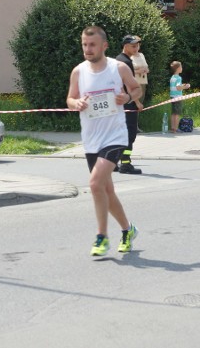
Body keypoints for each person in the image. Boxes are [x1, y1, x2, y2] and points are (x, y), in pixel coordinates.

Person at [67, 26, 140, 256]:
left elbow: (137, 90)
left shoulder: (117, 68)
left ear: (104, 46)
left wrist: (127, 97)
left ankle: (101, 237)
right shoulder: (78, 72)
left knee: (95, 184)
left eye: (92, 45)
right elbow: (70, 97)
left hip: (115, 136)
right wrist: (75, 104)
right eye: (84, 45)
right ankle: (128, 229)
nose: (88, 49)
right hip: (91, 139)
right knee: (106, 191)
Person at [115, 35, 144, 174]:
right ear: (125, 46)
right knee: (129, 134)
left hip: (119, 103)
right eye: (133, 45)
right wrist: (137, 102)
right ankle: (126, 164)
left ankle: (113, 163)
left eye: (137, 45)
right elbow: (129, 85)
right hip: (127, 103)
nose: (136, 48)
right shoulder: (126, 62)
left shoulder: (118, 59)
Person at [168, 61, 190, 133]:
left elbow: (175, 86)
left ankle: (172, 128)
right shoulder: (178, 78)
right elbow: (178, 87)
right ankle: (176, 128)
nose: (182, 68)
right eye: (181, 67)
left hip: (172, 97)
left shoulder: (172, 77)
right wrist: (185, 87)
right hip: (178, 97)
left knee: (173, 113)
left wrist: (182, 85)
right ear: (178, 68)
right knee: (177, 113)